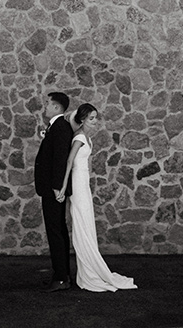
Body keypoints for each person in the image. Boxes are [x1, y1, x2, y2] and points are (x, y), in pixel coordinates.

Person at [57, 103, 137, 292]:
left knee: (86, 223)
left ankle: (90, 267)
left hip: (83, 184)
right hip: (76, 184)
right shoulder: (79, 138)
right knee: (81, 223)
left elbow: (86, 164)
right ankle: (88, 272)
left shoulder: (86, 137)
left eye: (95, 118)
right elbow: (69, 161)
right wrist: (62, 186)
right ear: (82, 120)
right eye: (91, 118)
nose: (95, 122)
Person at [34, 91, 73, 292]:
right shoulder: (57, 127)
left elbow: (60, 159)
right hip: (52, 188)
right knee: (58, 230)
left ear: (57, 107)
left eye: (48, 104)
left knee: (55, 232)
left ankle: (60, 278)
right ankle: (62, 274)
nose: (45, 107)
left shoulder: (60, 128)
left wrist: (58, 187)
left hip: (53, 189)